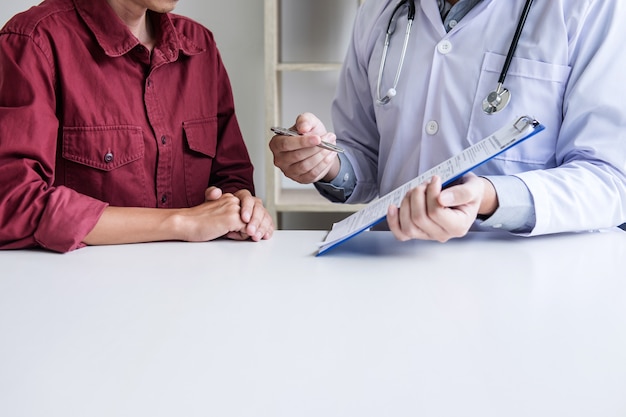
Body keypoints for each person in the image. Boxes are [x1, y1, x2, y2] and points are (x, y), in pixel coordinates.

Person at [270, 0, 626, 242]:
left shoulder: (590, 7)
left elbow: (610, 179)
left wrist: (490, 199)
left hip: (537, 281)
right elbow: (367, 156)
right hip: (398, 274)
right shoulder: (381, 9)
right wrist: (327, 163)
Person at [0, 0, 273, 253]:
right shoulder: (33, 40)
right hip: (81, 293)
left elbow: (232, 178)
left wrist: (243, 209)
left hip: (194, 287)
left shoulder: (200, 44)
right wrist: (180, 222)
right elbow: (13, 205)